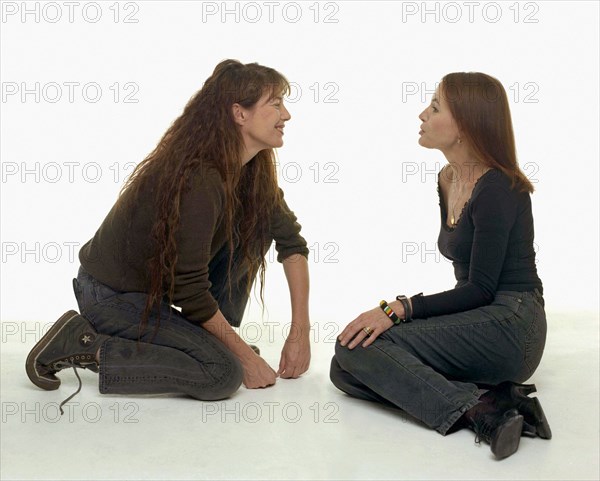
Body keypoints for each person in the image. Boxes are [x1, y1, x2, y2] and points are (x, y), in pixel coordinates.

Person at [26, 60, 311, 411]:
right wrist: (241, 357)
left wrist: (300, 332)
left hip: (153, 296)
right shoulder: (200, 177)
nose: (287, 115)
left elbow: (292, 244)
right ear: (239, 114)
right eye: (275, 104)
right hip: (111, 296)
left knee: (257, 226)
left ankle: (214, 339)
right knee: (222, 374)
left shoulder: (252, 173)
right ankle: (83, 343)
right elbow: (189, 289)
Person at [330, 72, 550, 460]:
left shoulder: (497, 187)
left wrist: (400, 309)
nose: (421, 115)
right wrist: (403, 317)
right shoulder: (447, 178)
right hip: (483, 315)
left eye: (434, 108)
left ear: (464, 124)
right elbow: (472, 293)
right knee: (344, 367)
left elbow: (481, 288)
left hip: (515, 324)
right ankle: (494, 401)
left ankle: (483, 413)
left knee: (364, 348)